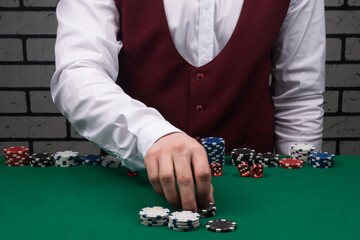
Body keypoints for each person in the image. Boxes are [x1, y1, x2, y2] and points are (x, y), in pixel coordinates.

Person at [51, 0, 325, 211]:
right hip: (134, 186)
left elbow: (299, 95)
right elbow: (77, 74)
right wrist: (150, 133)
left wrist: (300, 187)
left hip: (256, 189)